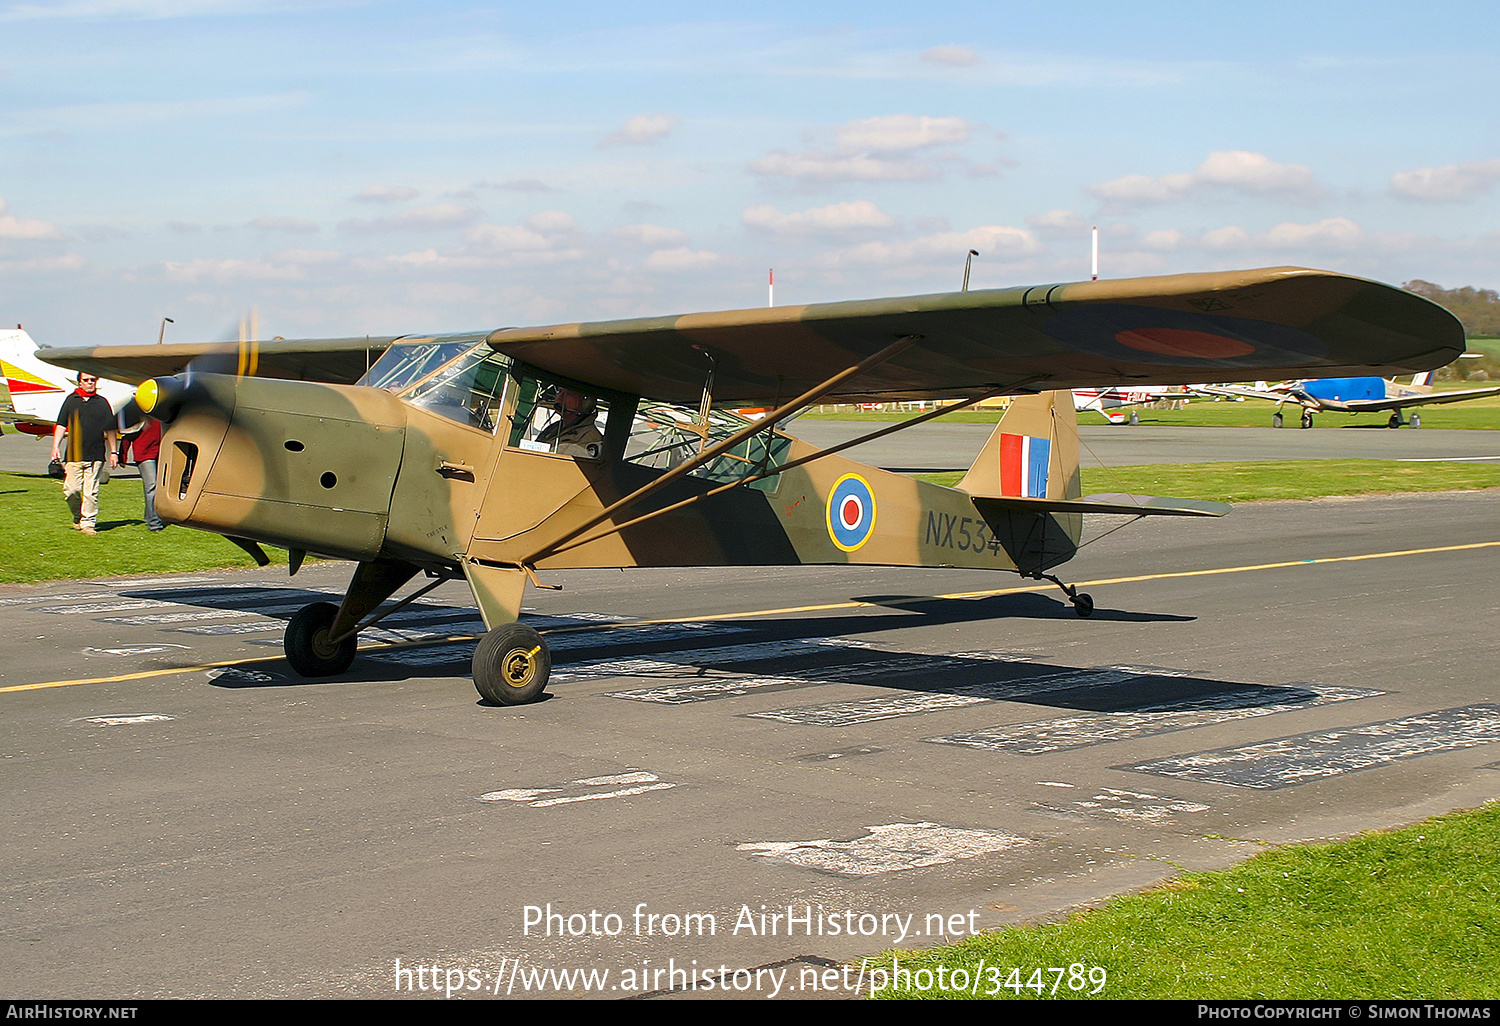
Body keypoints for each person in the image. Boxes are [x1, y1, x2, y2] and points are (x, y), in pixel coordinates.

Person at [51, 372, 117, 535]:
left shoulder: (102, 403)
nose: (89, 383)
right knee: (71, 490)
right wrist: (55, 447)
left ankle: (88, 523)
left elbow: (110, 429)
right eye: (86, 380)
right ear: (79, 382)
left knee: (91, 492)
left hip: (95, 455)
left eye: (92, 380)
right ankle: (78, 516)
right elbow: (61, 424)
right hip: (74, 455)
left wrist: (114, 452)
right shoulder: (71, 401)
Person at [118, 399, 164, 531]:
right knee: (152, 487)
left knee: (154, 487)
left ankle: (149, 516)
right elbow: (128, 435)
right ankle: (154, 523)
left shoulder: (161, 414)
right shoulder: (139, 412)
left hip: (159, 453)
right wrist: (122, 456)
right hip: (144, 455)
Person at [536, 387, 604, 459]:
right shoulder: (554, 428)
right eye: (559, 392)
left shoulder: (590, 436)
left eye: (568, 394)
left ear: (585, 401)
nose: (559, 398)